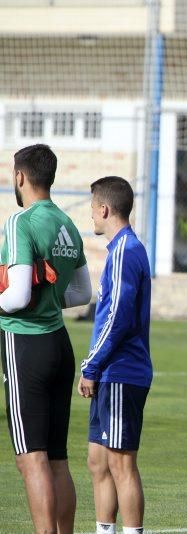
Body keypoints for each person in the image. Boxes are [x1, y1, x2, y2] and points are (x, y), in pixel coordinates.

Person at [0, 143, 93, 533]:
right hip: (59, 345)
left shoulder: (20, 222)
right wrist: (49, 297)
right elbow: (82, 293)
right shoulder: (68, 223)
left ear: (19, 176)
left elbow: (17, 297)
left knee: (31, 458)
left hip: (26, 345)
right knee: (56, 457)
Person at [77, 176, 152, 534]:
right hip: (110, 372)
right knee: (97, 461)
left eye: (92, 208)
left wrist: (91, 365)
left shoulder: (126, 251)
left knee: (122, 464)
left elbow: (118, 317)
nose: (91, 215)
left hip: (122, 371)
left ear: (104, 209)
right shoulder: (120, 250)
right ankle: (104, 529)